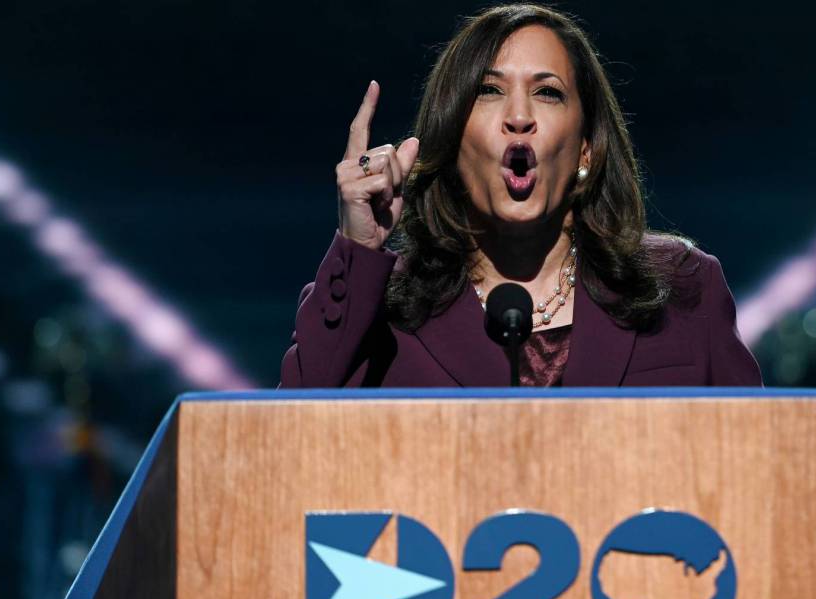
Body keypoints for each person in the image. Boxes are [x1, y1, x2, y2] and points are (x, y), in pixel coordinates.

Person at [279, 4, 761, 388]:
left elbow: (761, 460)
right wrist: (359, 248)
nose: (518, 117)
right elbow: (284, 444)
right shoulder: (379, 308)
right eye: (489, 90)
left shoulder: (682, 287)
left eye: (547, 92)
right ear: (453, 141)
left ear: (586, 148)